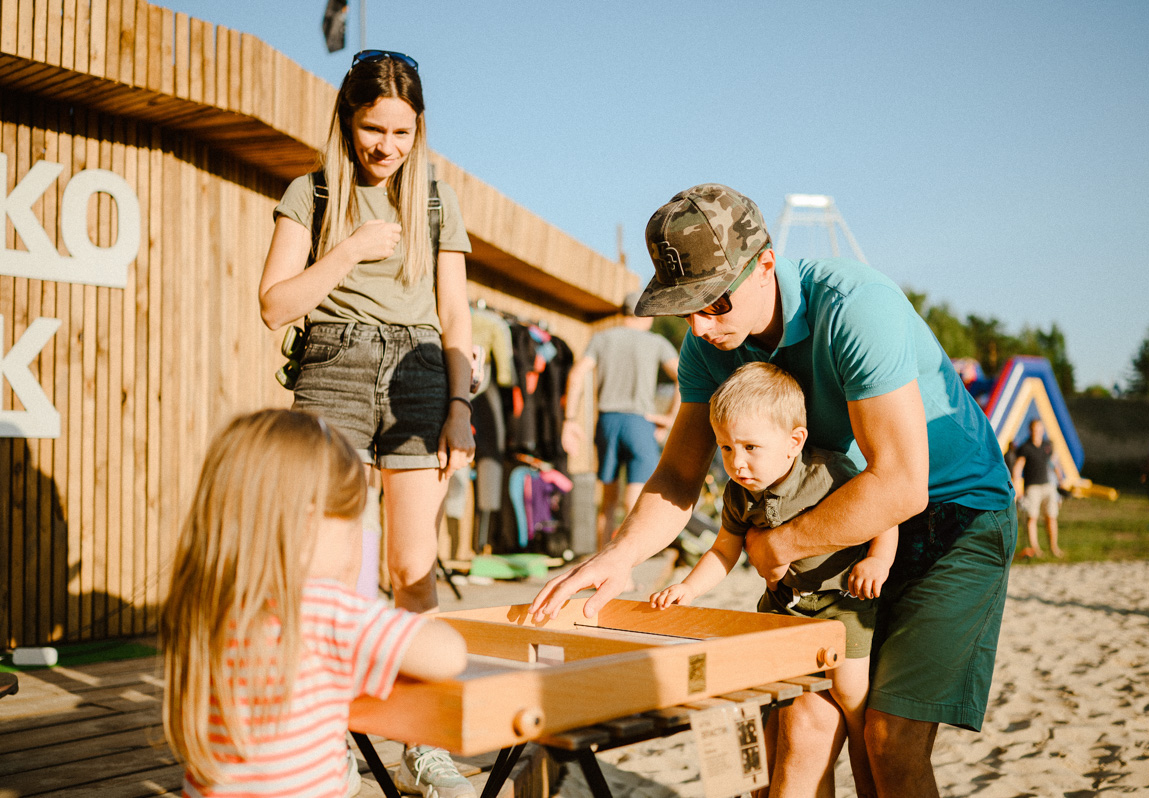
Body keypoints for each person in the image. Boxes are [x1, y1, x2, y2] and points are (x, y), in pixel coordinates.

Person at [532, 184, 1016, 798]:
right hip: (842, 531)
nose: (701, 325)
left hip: (955, 513)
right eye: (687, 308)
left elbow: (899, 484)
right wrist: (617, 558)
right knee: (803, 722)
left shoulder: (855, 306)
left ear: (763, 264)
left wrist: (781, 542)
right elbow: (679, 474)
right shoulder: (711, 347)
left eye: (715, 303)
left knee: (889, 738)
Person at [258, 50, 476, 797]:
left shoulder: (440, 203)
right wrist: (348, 249)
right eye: (372, 128)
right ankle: (328, 742)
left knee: (413, 572)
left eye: (402, 132)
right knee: (330, 573)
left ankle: (424, 744)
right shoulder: (311, 193)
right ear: (347, 122)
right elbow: (274, 304)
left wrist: (460, 407)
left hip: (421, 376)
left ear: (420, 130)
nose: (386, 146)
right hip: (335, 370)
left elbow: (455, 315)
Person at [160, 409, 468, 798]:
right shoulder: (324, 609)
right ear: (309, 523)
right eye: (353, 525)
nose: (354, 549)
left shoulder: (207, 601)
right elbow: (449, 655)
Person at [650, 362, 896, 797]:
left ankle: (868, 779)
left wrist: (877, 559)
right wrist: (688, 587)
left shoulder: (828, 474)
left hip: (841, 603)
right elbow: (724, 549)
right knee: (760, 698)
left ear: (793, 443)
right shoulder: (738, 494)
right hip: (782, 607)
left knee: (852, 698)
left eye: (749, 447)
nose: (737, 463)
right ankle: (752, 786)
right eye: (725, 449)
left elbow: (884, 512)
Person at [562, 290, 680, 550]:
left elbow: (577, 374)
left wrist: (569, 419)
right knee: (634, 503)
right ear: (647, 314)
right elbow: (683, 376)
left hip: (608, 423)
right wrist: (670, 419)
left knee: (607, 503)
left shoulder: (602, 339)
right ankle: (623, 572)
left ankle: (600, 563)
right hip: (640, 424)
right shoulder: (656, 342)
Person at [1011, 418, 1067, 558]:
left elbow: (1054, 464)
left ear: (1043, 431)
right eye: (1035, 430)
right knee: (1032, 518)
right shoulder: (1025, 447)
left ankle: (1054, 547)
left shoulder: (1047, 446)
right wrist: (1017, 487)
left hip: (1048, 486)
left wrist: (1061, 481)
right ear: (1030, 430)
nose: (1037, 432)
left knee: (1051, 517)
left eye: (1040, 430)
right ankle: (1035, 549)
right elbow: (1018, 468)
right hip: (1032, 487)